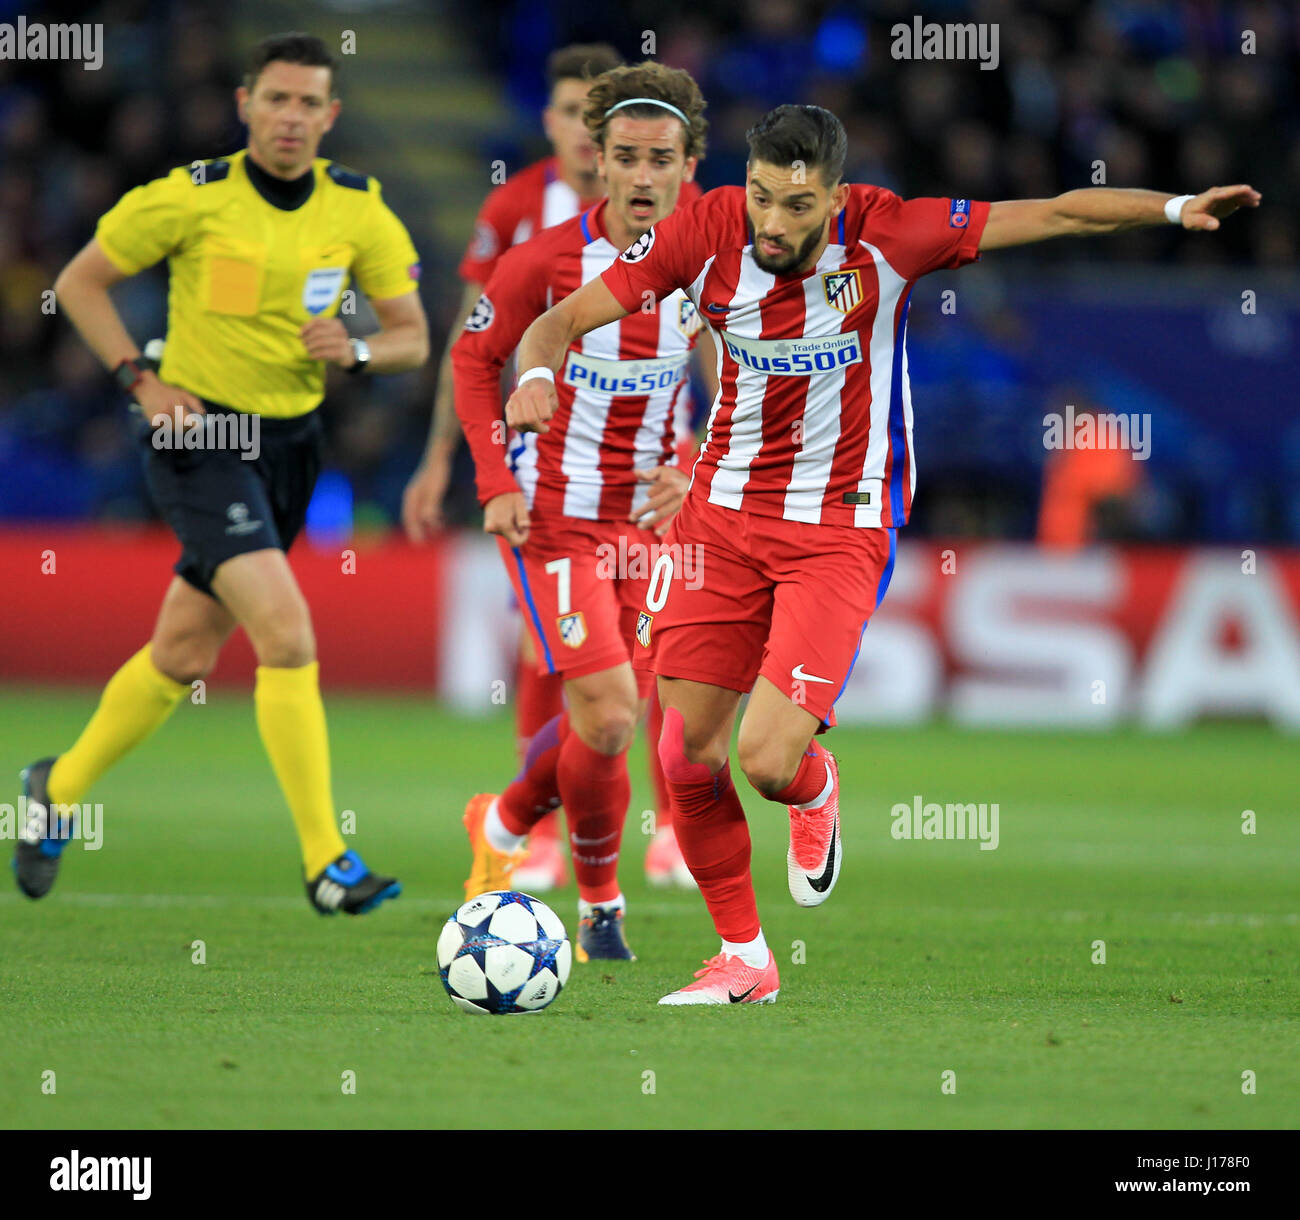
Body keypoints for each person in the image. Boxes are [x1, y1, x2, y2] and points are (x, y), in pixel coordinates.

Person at [500, 103, 1260, 1003]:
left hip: (838, 527)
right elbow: (556, 323)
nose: (774, 223)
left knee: (769, 762)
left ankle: (816, 789)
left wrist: (1174, 209)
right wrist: (540, 371)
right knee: (684, 755)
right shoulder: (699, 232)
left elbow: (1052, 210)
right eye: (761, 198)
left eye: (797, 204)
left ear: (833, 197)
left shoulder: (892, 232)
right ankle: (745, 958)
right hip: (720, 523)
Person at [17, 32, 429, 914]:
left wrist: (356, 348)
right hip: (199, 439)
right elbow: (80, 283)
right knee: (287, 634)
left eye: (307, 102)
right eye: (275, 99)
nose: (290, 117)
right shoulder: (190, 197)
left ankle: (54, 791)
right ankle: (328, 863)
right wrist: (141, 379)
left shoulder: (359, 210)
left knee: (183, 651)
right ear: (246, 105)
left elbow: (413, 336)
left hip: (290, 447)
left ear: (330, 115)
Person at [402, 42, 697, 891]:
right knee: (583, 686)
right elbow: (472, 349)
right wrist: (479, 476)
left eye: (657, 156)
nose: (634, 168)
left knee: (641, 691)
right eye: (579, 122)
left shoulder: (709, 241)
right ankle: (542, 842)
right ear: (580, 141)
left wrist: (698, 466)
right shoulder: (530, 229)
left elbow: (739, 367)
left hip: (649, 509)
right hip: (550, 505)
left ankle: (535, 817)